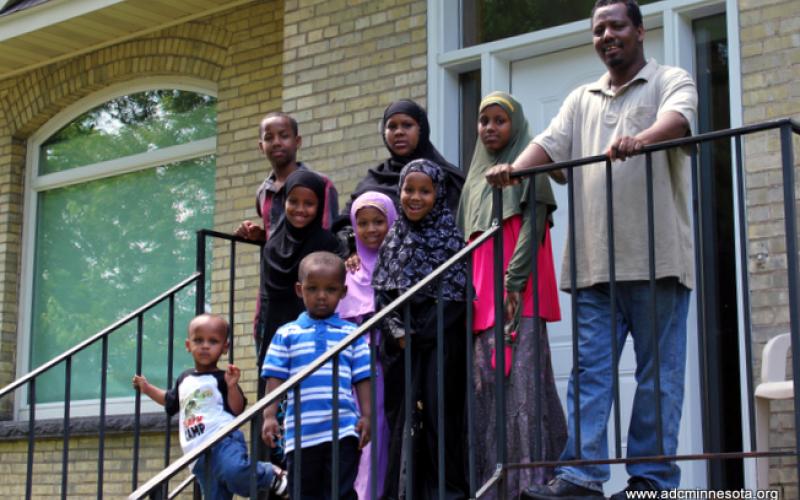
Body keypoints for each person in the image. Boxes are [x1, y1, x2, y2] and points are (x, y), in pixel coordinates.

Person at [486, 1, 697, 498]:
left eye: (616, 25)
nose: (606, 35)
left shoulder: (670, 77)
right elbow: (550, 145)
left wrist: (640, 139)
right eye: (598, 29)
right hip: (591, 266)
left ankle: (652, 481)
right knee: (590, 375)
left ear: (640, 30)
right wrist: (515, 167)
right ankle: (581, 477)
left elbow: (679, 119)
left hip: (658, 259)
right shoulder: (582, 97)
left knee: (657, 378)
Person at [456, 91, 566, 499]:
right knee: (489, 394)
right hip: (482, 300)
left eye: (499, 120)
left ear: (515, 126)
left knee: (524, 390)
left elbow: (534, 222)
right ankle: (495, 487)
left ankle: (531, 485)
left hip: (516, 292)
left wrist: (513, 283)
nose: (490, 128)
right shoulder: (473, 182)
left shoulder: (527, 167)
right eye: (484, 121)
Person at [372, 159, 469, 499]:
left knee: (440, 418)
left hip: (439, 343)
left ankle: (447, 493)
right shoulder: (393, 241)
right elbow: (383, 295)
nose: (415, 197)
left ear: (439, 194)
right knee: (404, 422)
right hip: (400, 348)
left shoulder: (450, 240)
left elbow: (457, 297)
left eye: (424, 191)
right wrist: (397, 331)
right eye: (408, 190)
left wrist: (423, 333)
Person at [132, 314, 288, 500]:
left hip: (222, 441)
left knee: (235, 473)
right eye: (198, 340)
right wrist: (147, 388)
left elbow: (237, 410)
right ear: (188, 345)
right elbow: (169, 400)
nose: (205, 346)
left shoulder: (222, 378)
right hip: (197, 456)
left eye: (213, 341)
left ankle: (269, 473)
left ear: (224, 348)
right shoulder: (184, 379)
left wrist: (231, 386)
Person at [261, 251, 372, 500]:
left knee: (340, 492)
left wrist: (367, 415)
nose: (321, 296)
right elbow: (274, 379)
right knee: (304, 493)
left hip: (343, 430)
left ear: (343, 293)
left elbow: (363, 377)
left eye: (330, 290)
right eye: (313, 289)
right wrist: (269, 416)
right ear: (300, 290)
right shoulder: (286, 334)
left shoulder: (352, 333)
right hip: (301, 434)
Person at [235, 112, 339, 347]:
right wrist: (259, 235)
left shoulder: (319, 184)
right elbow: (278, 236)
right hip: (273, 284)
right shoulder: (263, 191)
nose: (277, 142)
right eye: (269, 137)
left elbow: (326, 237)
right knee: (271, 350)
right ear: (261, 146)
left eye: (284, 136)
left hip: (308, 286)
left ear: (297, 141)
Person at [334, 100, 465, 264]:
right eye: (392, 127)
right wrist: (352, 249)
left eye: (407, 125)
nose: (399, 132)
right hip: (373, 275)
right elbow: (345, 224)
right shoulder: (373, 180)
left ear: (421, 129)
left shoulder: (444, 177)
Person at [336, 191, 398, 499]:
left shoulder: (401, 262)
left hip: (382, 366)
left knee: (377, 432)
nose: (371, 229)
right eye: (362, 223)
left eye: (379, 222)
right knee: (351, 432)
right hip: (350, 368)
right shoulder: (348, 271)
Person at [256, 169, 342, 365]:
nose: (300, 209)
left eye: (309, 203)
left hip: (316, 337)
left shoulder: (328, 244)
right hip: (277, 336)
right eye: (293, 201)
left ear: (319, 205)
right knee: (279, 392)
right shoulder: (272, 247)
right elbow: (267, 301)